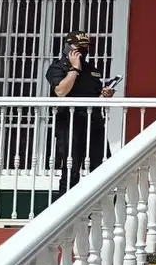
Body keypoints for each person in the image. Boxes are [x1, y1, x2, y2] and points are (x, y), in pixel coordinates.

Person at [44, 30, 114, 195]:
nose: (83, 51)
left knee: (103, 166)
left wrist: (105, 93)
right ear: (68, 47)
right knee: (71, 170)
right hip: (70, 123)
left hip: (94, 123)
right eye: (79, 47)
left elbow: (94, 95)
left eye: (85, 47)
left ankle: (96, 211)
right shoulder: (57, 67)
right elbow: (61, 91)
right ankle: (65, 215)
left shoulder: (92, 69)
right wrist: (74, 69)